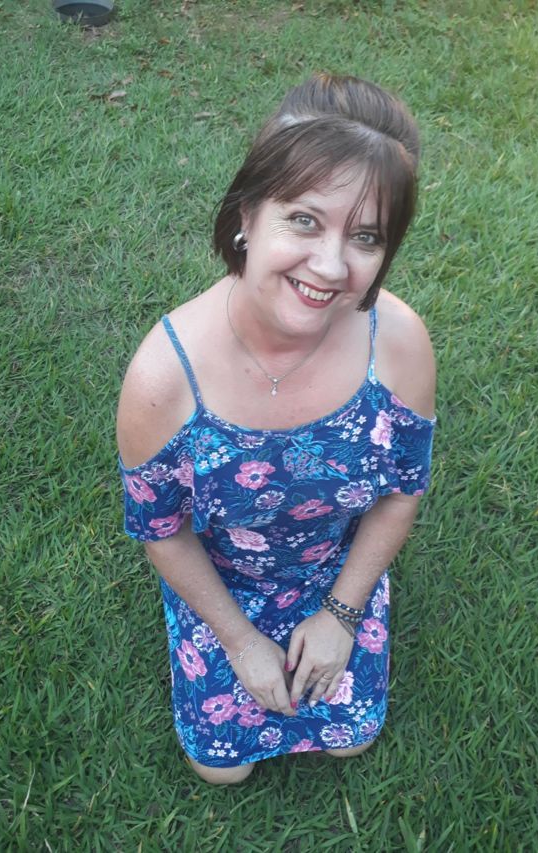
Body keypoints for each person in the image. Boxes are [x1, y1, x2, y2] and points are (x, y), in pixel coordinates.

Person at [117, 73, 436, 785]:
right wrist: (238, 641)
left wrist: (342, 615)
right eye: (305, 220)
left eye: (365, 236)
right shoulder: (163, 379)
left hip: (335, 571)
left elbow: (401, 492)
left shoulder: (399, 344)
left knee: (349, 739)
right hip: (223, 579)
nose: (331, 265)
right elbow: (162, 530)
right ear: (248, 213)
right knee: (221, 770)